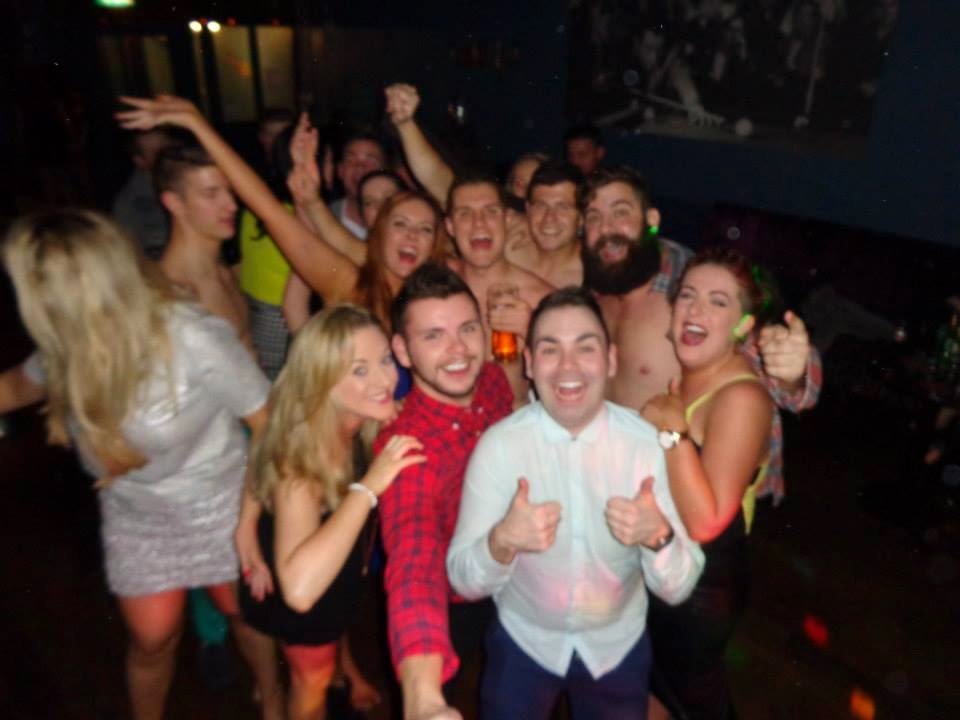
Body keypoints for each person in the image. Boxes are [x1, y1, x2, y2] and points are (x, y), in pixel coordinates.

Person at [0, 209, 283, 720]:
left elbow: (268, 424)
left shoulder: (192, 335)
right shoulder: (69, 346)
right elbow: (16, 386)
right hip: (137, 515)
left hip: (220, 503)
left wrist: (248, 522)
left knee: (244, 615)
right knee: (152, 640)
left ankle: (274, 703)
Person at [446, 287, 704, 719]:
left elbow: (679, 588)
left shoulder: (647, 447)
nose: (568, 366)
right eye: (550, 349)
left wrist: (657, 537)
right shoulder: (499, 448)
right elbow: (463, 580)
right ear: (529, 363)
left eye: (585, 347)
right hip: (523, 644)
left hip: (617, 651)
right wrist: (501, 542)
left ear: (611, 360)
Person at [580, 166, 821, 501]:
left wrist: (793, 372)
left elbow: (780, 370)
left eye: (620, 212)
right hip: (608, 475)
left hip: (680, 490)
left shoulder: (689, 285)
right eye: (593, 217)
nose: (606, 228)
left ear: (651, 219)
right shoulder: (592, 283)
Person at [241, 304, 426, 720]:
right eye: (359, 370)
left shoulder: (362, 417)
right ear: (321, 381)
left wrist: (244, 519)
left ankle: (344, 673)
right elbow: (300, 591)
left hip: (336, 563)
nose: (384, 380)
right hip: (303, 573)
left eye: (384, 360)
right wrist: (370, 486)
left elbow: (263, 442)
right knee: (312, 678)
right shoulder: (301, 461)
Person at [641, 248, 776, 718]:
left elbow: (707, 521)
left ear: (743, 325)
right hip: (667, 569)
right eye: (688, 295)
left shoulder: (742, 398)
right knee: (655, 697)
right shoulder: (688, 377)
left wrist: (670, 428)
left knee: (697, 704)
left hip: (702, 590)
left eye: (718, 301)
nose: (696, 309)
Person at [377, 263, 516, 720]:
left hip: (515, 579)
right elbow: (413, 558)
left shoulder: (492, 382)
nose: (458, 350)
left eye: (467, 329)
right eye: (433, 336)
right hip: (450, 601)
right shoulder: (406, 447)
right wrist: (423, 697)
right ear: (403, 350)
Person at [444, 174, 555, 403]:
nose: (479, 223)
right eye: (465, 214)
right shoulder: (434, 291)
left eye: (490, 212)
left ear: (507, 220)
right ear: (450, 227)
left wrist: (535, 331)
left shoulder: (542, 300)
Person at [506, 161, 586, 289]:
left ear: (582, 217)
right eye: (540, 205)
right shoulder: (509, 251)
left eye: (562, 207)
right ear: (528, 209)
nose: (549, 218)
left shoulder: (593, 274)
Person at [112, 127, 175, 259]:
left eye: (168, 148)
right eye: (157, 153)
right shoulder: (129, 203)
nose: (167, 157)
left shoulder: (190, 180)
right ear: (140, 160)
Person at [330, 131, 388, 239]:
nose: (360, 166)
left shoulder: (398, 222)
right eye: (351, 160)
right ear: (340, 170)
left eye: (370, 161)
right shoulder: (325, 216)